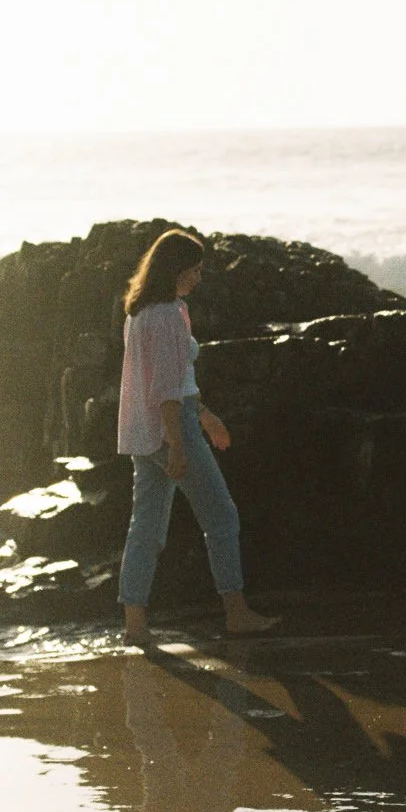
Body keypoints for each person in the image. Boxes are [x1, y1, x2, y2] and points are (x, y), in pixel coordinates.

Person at [115, 229, 278, 646]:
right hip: (171, 429)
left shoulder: (138, 313)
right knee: (221, 516)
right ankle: (236, 613)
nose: (198, 278)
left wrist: (206, 416)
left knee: (145, 529)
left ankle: (135, 624)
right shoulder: (169, 314)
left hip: (142, 433)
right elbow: (167, 390)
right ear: (175, 269)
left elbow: (165, 381)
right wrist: (179, 444)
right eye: (194, 270)